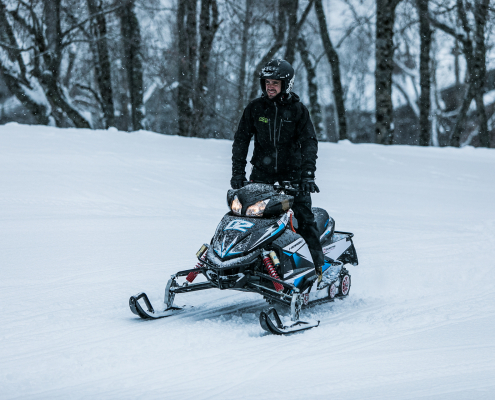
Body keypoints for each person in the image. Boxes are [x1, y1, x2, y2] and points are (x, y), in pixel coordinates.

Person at [231, 59, 324, 282]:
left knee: (304, 219)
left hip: (294, 177)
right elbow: (241, 140)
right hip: (261, 175)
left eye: (275, 83)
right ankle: (246, 264)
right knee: (249, 217)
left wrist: (308, 175)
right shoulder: (255, 108)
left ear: (286, 85)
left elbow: (310, 142)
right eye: (267, 82)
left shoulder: (298, 110)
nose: (269, 87)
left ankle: (318, 271)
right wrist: (238, 173)